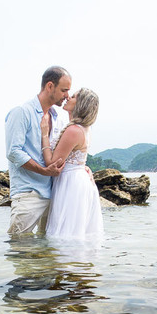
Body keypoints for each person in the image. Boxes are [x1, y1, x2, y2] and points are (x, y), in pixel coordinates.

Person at [4, 66, 72, 235]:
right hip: (28, 193)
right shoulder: (22, 112)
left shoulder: (57, 118)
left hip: (52, 193)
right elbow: (13, 152)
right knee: (19, 245)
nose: (67, 96)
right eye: (64, 90)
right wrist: (43, 171)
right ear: (50, 86)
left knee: (48, 247)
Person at [41, 88, 103, 241]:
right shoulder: (83, 129)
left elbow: (52, 163)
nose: (68, 97)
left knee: (67, 232)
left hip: (71, 183)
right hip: (77, 179)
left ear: (81, 104)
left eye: (74, 96)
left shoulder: (74, 130)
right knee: (75, 231)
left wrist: (44, 134)